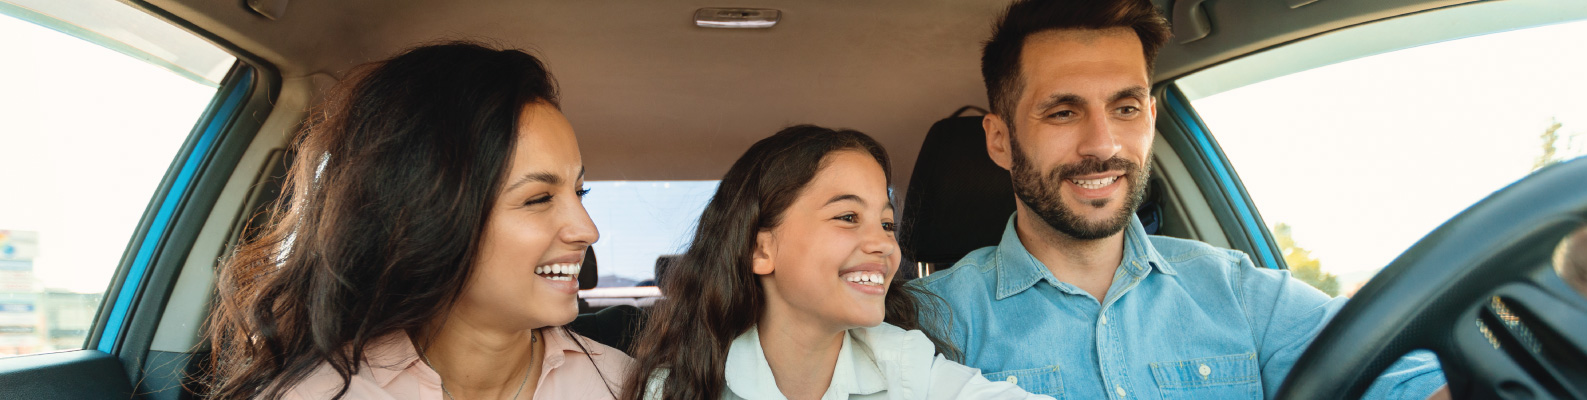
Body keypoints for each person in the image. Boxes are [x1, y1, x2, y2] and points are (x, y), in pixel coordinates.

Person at [909, 1, 1448, 399]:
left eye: (1125, 108)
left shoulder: (1238, 291)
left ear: (1150, 118)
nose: (1103, 145)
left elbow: (1408, 376)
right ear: (1000, 141)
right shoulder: (929, 324)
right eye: (1063, 112)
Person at [203, 42, 630, 399]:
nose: (587, 230)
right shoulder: (315, 393)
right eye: (539, 198)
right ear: (430, 216)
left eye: (579, 192)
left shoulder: (622, 385)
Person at [621, 125, 1049, 400]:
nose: (883, 244)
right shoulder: (676, 389)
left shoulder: (906, 367)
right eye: (847, 217)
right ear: (760, 250)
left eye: (886, 223)